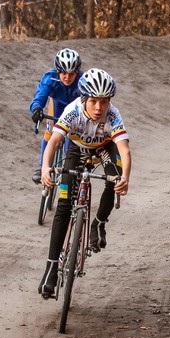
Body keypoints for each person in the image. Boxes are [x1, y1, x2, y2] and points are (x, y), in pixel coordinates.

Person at [37, 68, 131, 298]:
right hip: (77, 149)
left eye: (104, 102)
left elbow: (124, 150)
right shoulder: (73, 111)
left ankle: (98, 222)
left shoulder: (113, 116)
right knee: (63, 206)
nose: (99, 108)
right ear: (83, 99)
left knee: (113, 179)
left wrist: (126, 177)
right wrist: (46, 167)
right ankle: (50, 269)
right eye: (94, 101)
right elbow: (55, 141)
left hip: (104, 148)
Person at [29, 48, 83, 184]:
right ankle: (42, 168)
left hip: (75, 109)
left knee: (73, 137)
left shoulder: (83, 80)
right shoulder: (50, 78)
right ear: (57, 71)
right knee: (50, 133)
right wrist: (36, 109)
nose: (67, 77)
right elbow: (40, 96)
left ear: (77, 72)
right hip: (57, 106)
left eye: (71, 74)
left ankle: (71, 164)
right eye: (63, 73)